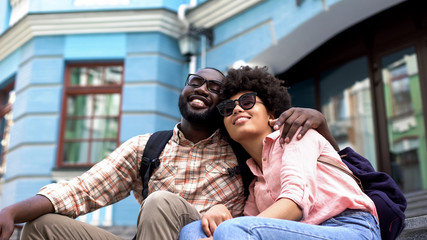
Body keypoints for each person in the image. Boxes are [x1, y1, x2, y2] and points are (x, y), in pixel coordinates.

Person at [0, 67, 336, 240]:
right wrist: (12, 212)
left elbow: (319, 166)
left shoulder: (241, 144)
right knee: (43, 227)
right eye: (196, 81)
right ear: (185, 90)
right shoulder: (148, 147)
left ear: (224, 107)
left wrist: (319, 123)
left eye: (216, 89)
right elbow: (83, 189)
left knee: (161, 200)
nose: (203, 89)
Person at [179, 66, 380, 240]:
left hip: (350, 228)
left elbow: (295, 203)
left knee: (232, 229)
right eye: (228, 108)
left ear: (272, 114)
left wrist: (226, 231)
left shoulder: (295, 135)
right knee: (193, 231)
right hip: (301, 231)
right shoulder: (256, 179)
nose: (237, 109)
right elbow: (250, 223)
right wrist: (219, 210)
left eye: (247, 102)